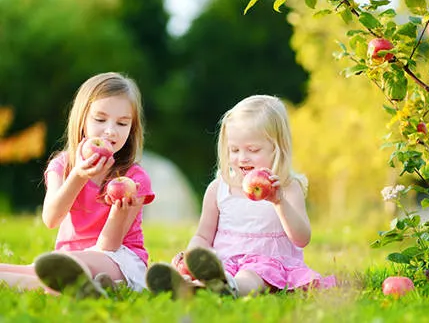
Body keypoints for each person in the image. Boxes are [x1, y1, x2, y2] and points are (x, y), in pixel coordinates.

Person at [146, 95, 336, 298]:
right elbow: (203, 235)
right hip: (223, 263)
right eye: (234, 150)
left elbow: (302, 238)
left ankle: (231, 288)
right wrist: (194, 257)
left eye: (253, 150)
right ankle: (188, 284)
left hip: (266, 266)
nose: (242, 157)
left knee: (251, 275)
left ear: (277, 148)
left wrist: (279, 202)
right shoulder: (218, 189)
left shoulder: (287, 188)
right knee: (213, 271)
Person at [0, 72, 155, 298]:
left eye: (122, 123)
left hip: (118, 259)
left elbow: (109, 246)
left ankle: (86, 285)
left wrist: (118, 213)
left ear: (132, 128)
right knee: (42, 270)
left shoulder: (134, 178)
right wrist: (78, 176)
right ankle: (88, 288)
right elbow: (51, 219)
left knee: (61, 266)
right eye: (100, 119)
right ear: (82, 120)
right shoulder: (62, 166)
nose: (111, 130)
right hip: (66, 262)